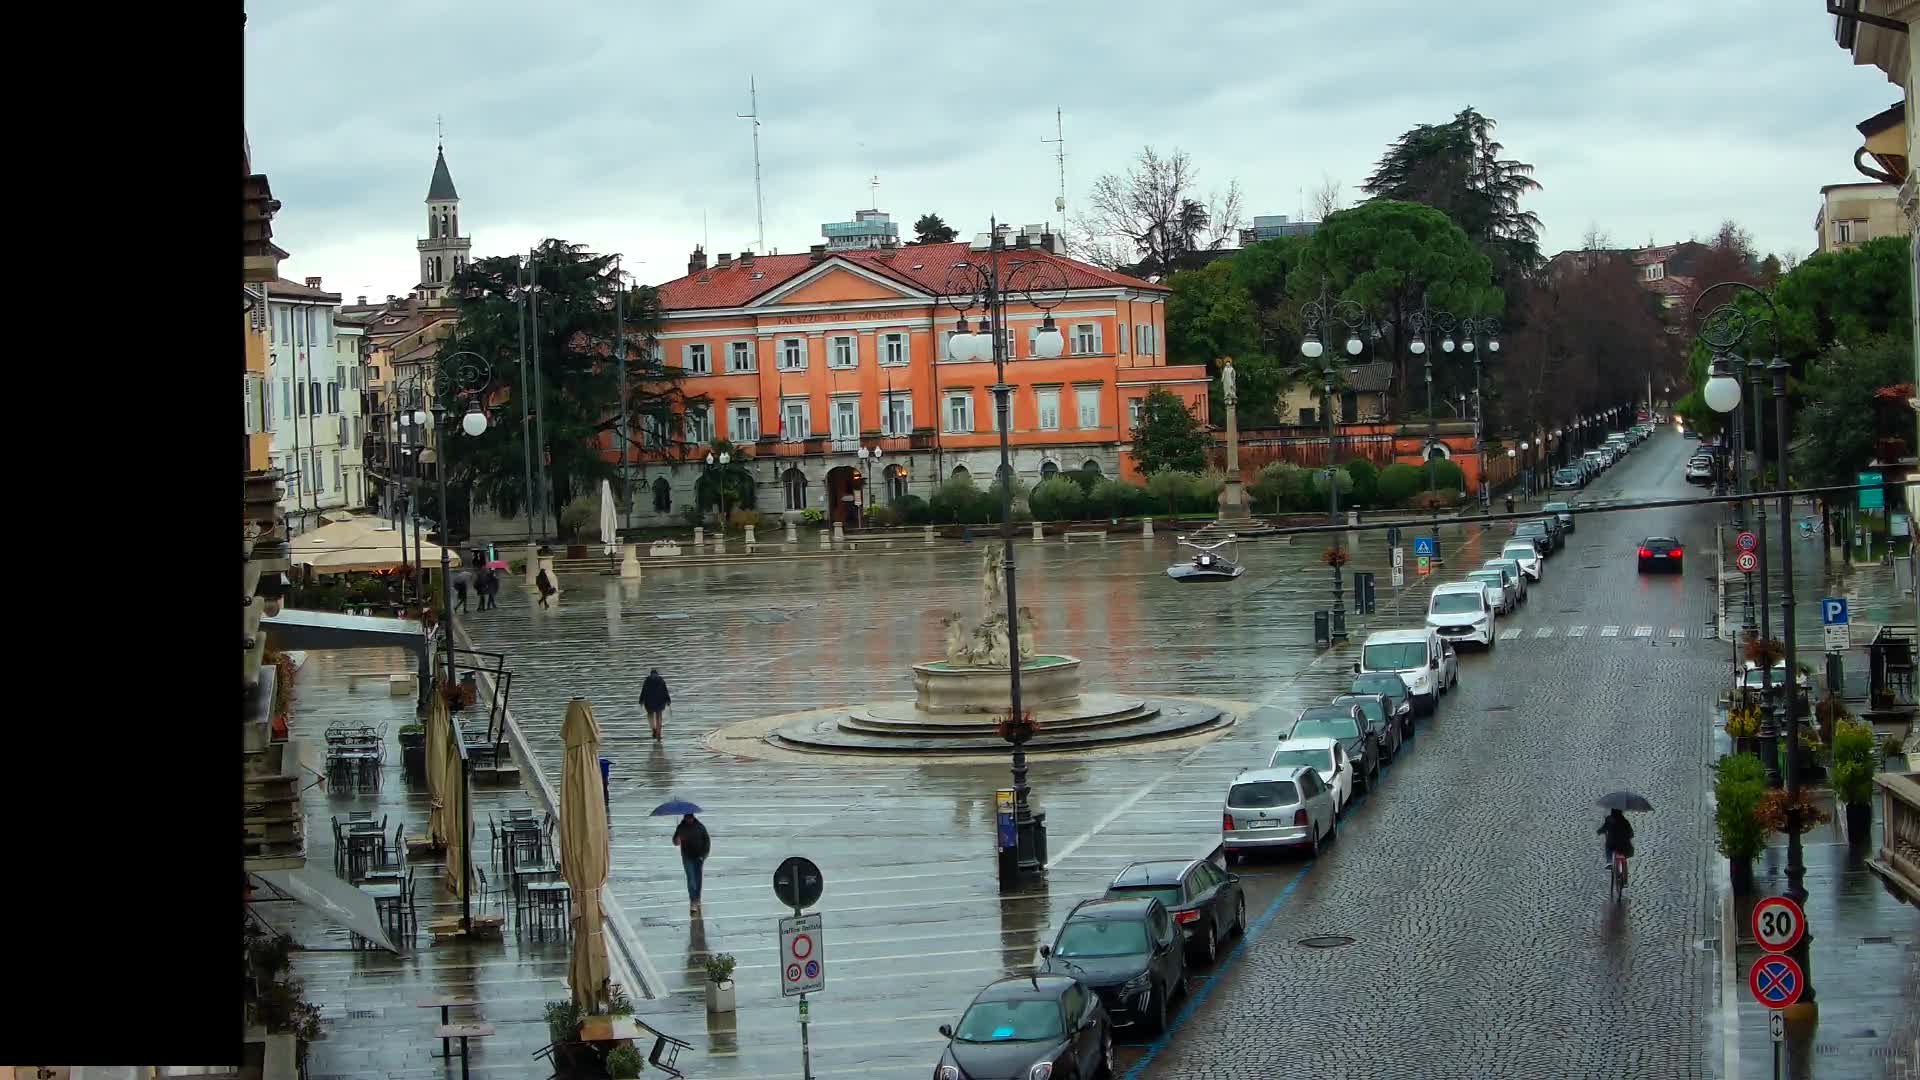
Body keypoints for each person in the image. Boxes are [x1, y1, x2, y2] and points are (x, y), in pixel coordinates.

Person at [672, 812, 710, 913]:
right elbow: (675, 842)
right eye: (687, 818)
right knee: (691, 879)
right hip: (687, 857)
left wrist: (704, 855)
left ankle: (697, 898)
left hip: (699, 857)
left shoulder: (700, 827)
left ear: (693, 817)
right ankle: (693, 901)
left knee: (698, 880)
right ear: (685, 818)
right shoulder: (681, 828)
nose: (689, 819)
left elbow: (707, 841)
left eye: (690, 818)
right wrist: (677, 840)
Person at [640, 668, 671, 740]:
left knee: (650, 715)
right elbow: (665, 691)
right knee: (659, 716)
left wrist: (641, 701)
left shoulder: (647, 681)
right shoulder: (661, 681)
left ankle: (653, 728)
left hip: (649, 702)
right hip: (660, 701)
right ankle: (658, 732)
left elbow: (643, 692)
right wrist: (668, 701)